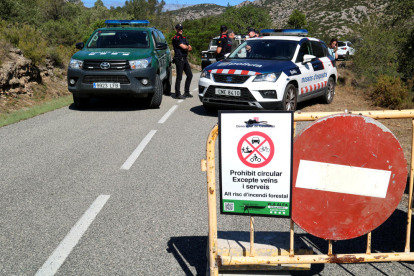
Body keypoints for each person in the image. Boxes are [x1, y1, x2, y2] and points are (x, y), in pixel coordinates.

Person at [172, 23, 193, 99]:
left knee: (190, 75)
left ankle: (186, 92)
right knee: (179, 77)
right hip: (179, 59)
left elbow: (190, 48)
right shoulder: (176, 38)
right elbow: (184, 47)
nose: (181, 30)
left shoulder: (184, 38)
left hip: (184, 58)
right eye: (179, 29)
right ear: (176, 30)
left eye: (181, 29)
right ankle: (177, 93)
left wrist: (186, 47)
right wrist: (187, 47)